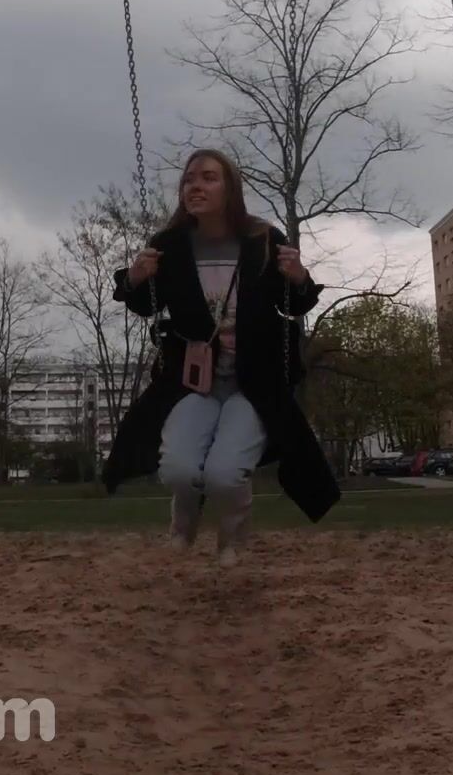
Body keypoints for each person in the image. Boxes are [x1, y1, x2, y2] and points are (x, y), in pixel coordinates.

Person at [100, 148, 339, 567]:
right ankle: (183, 525)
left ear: (230, 188)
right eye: (189, 179)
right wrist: (134, 278)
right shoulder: (169, 245)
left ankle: (232, 538)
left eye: (208, 177)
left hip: (253, 384)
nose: (195, 186)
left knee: (225, 474)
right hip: (193, 382)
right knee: (178, 469)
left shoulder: (262, 239)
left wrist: (299, 278)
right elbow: (144, 303)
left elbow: (295, 303)